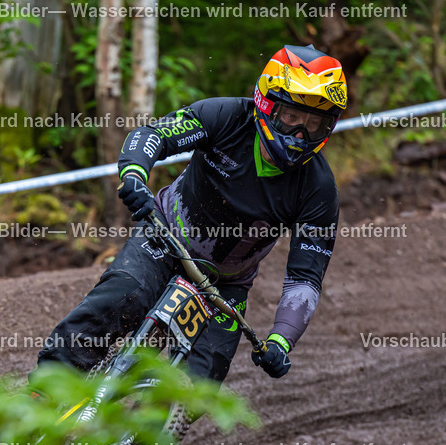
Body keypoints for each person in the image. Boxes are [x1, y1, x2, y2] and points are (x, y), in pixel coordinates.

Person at [36, 44, 347, 389]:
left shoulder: (318, 188)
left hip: (226, 285)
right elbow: (154, 135)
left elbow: (305, 277)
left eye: (314, 124)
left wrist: (281, 339)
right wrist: (135, 175)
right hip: (164, 239)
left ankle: (145, 425)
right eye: (292, 117)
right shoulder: (226, 116)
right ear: (267, 105)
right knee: (120, 298)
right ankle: (43, 393)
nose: (301, 134)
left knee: (201, 385)